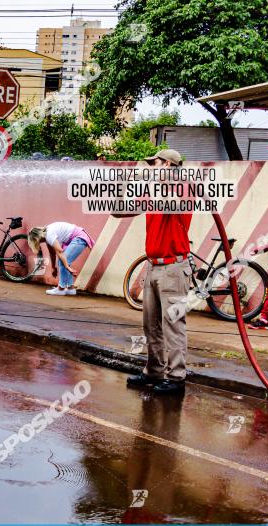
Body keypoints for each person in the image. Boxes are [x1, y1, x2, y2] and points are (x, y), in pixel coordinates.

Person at [114, 148, 190, 395]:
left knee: (173, 324)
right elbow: (120, 210)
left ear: (168, 165)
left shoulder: (182, 188)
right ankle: (154, 371)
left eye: (154, 163)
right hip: (154, 266)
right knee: (151, 325)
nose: (150, 168)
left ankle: (176, 378)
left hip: (174, 268)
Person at [27, 222, 94, 295]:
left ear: (37, 238)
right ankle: (70, 288)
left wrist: (67, 266)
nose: (39, 243)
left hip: (79, 238)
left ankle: (61, 289)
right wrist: (53, 267)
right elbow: (52, 253)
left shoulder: (49, 235)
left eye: (37, 242)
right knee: (62, 261)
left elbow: (60, 251)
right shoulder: (48, 235)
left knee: (62, 261)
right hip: (77, 238)